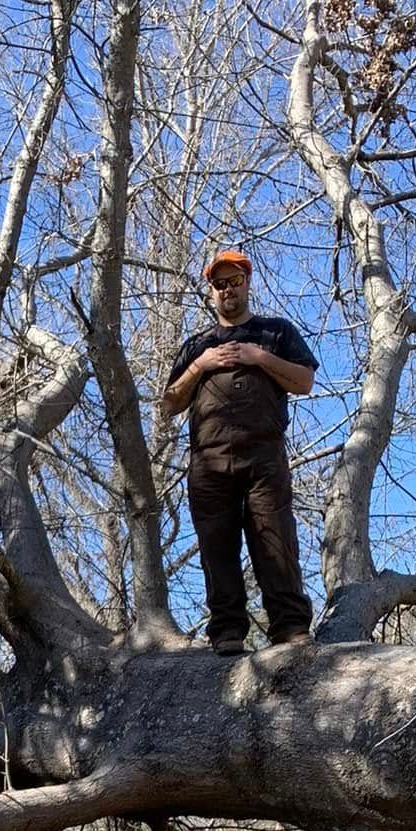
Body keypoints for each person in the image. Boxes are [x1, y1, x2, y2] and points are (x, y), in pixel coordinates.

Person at [161, 248, 318, 655]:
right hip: (209, 462)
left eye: (235, 281)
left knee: (275, 540)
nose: (228, 290)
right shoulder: (198, 345)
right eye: (219, 283)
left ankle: (290, 629)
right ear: (210, 291)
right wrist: (202, 365)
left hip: (264, 457)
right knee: (217, 547)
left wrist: (259, 357)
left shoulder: (275, 332)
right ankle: (228, 632)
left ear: (247, 283)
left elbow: (304, 381)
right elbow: (169, 403)